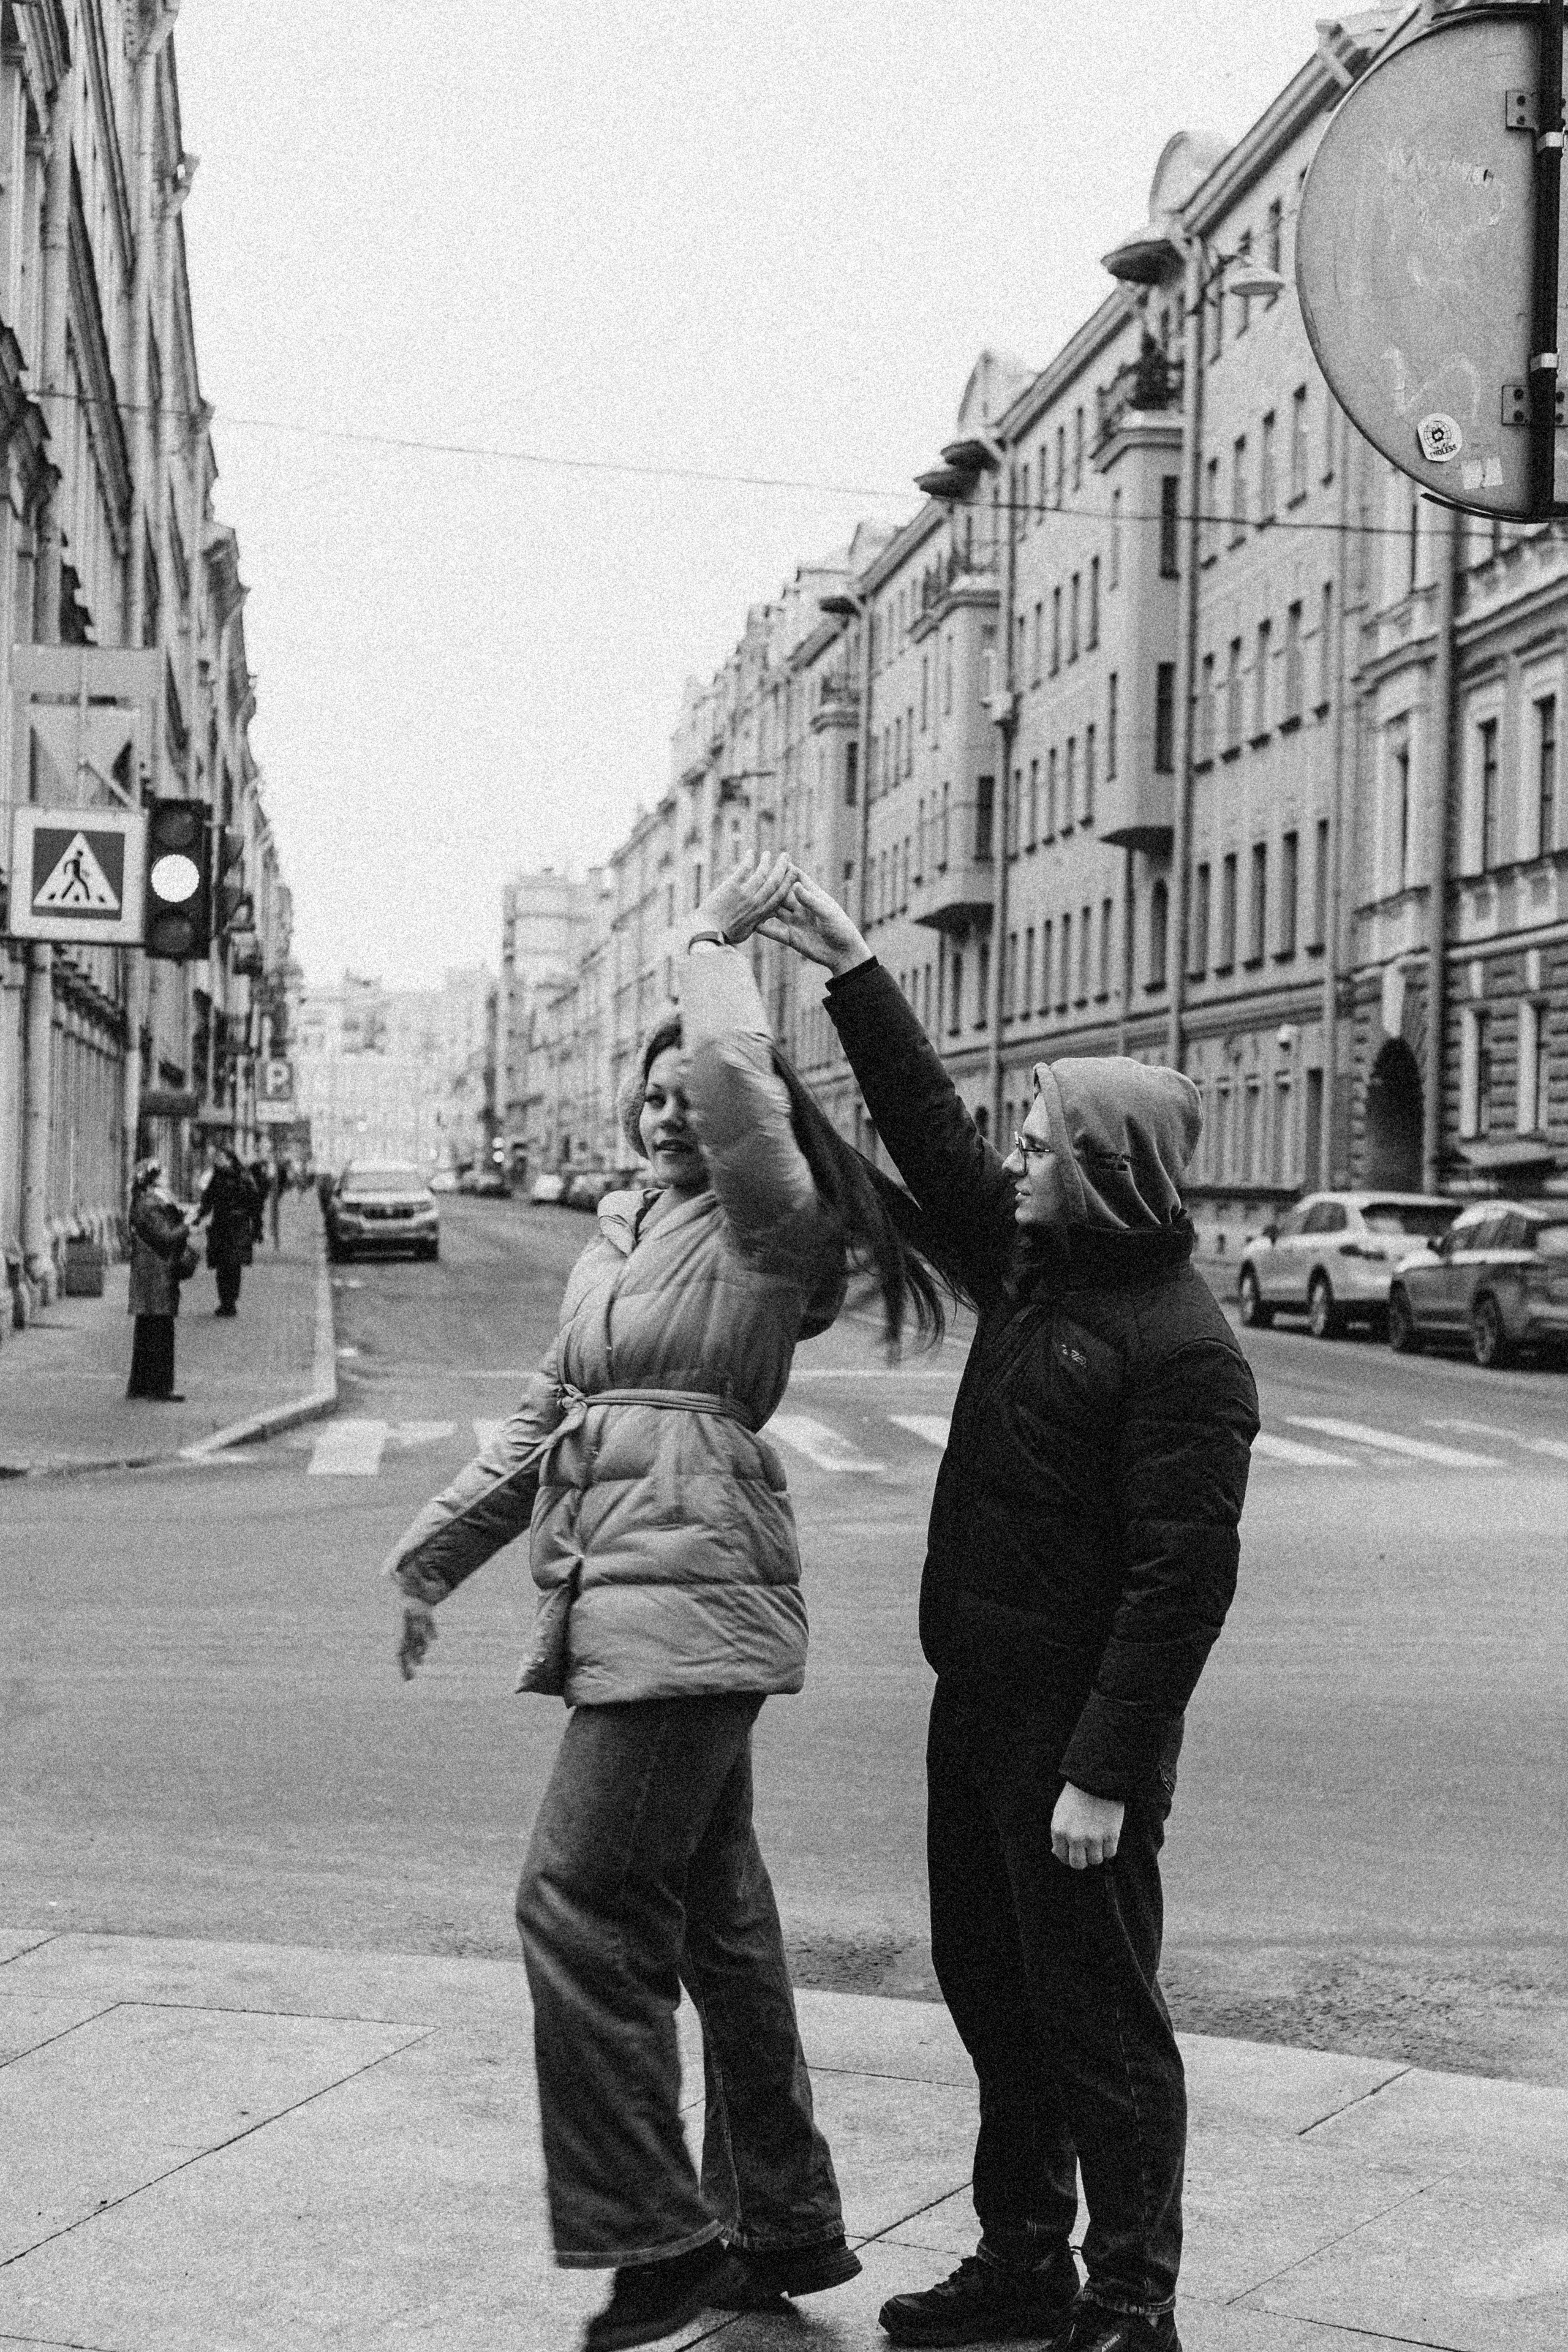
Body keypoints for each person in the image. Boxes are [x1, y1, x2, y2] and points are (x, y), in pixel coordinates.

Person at [383, 854, 949, 2352]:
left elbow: (738, 1078)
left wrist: (705, 942)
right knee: (719, 1920)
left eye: (677, 1086)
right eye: (644, 1091)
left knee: (572, 1898)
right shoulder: (624, 1231)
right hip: (622, 1572)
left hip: (687, 1574)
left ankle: (658, 2237)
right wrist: (434, 1554)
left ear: (723, 1100)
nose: (659, 1106)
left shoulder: (771, 1220)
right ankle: (774, 2219)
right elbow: (543, 1411)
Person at [764, 872, 1259, 2352]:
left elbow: (1181, 1588)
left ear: (1101, 1170)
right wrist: (851, 962)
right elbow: (923, 1127)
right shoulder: (1034, 1271)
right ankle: (1020, 2259)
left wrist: (1103, 1771)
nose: (1011, 1155)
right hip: (974, 1706)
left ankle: (1130, 2300)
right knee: (992, 1995)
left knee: (1100, 2024)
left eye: (1037, 1142)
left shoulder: (1182, 1352)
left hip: (1073, 1744)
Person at [126, 1159, 192, 1401]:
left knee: (147, 1331)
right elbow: (165, 1237)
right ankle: (160, 1388)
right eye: (163, 1175)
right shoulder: (150, 1204)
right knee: (161, 1332)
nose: (167, 1178)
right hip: (157, 1275)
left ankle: (141, 1386)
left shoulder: (148, 1203)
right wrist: (187, 1226)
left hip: (150, 1275)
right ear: (154, 1179)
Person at [196, 1144, 258, 1316]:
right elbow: (208, 1200)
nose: (218, 1161)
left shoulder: (243, 1177)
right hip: (222, 1226)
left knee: (233, 1265)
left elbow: (254, 1202)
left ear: (230, 1160)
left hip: (236, 1226)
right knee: (223, 1266)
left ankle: (230, 1302)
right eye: (217, 1158)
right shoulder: (216, 1177)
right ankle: (226, 1302)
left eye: (221, 1158)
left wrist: (257, 1227)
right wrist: (199, 1215)